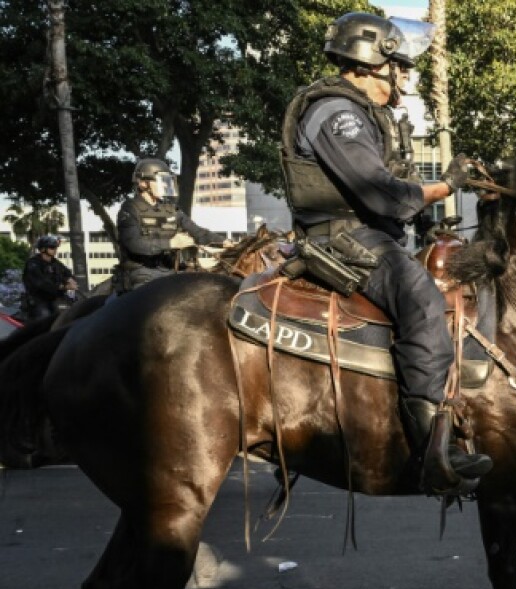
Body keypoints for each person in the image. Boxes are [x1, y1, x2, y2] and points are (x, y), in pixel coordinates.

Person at [282, 11, 490, 495]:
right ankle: (433, 450)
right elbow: (381, 194)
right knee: (422, 298)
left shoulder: (370, 115)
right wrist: (447, 186)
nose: (406, 76)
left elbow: (396, 196)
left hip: (372, 231)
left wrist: (430, 219)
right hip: (343, 236)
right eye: (401, 66)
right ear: (373, 62)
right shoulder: (338, 112)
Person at [115, 158, 231, 291]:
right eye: (160, 181)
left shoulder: (171, 208)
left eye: (167, 181)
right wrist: (171, 243)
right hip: (142, 273)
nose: (165, 185)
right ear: (143, 183)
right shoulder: (130, 209)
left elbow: (198, 232)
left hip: (171, 270)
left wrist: (224, 242)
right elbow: (134, 243)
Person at [21, 235, 77, 320]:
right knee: (46, 318)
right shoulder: (33, 264)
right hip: (39, 300)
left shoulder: (55, 263)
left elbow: (67, 273)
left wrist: (70, 279)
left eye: (55, 247)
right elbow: (42, 284)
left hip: (56, 299)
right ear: (43, 249)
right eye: (52, 247)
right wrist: (63, 287)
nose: (55, 249)